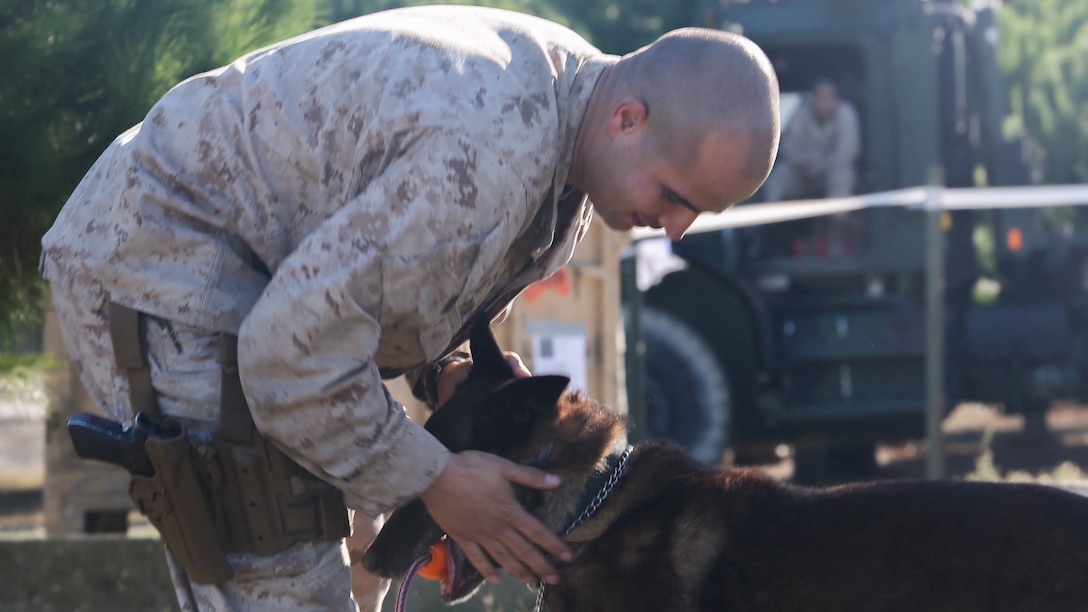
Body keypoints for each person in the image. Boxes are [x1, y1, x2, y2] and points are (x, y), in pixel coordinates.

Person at [39, 5, 780, 611]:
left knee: (357, 558)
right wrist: (437, 481)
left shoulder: (573, 114)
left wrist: (448, 372)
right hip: (161, 265)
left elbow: (378, 284)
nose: (677, 229)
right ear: (629, 119)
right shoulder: (490, 157)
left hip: (259, 292)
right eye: (677, 197)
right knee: (282, 579)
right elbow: (287, 355)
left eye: (698, 214)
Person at [763, 79, 860, 202]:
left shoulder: (846, 114)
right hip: (802, 172)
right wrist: (804, 166)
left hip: (830, 171)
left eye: (829, 97)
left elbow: (847, 152)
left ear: (836, 99)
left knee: (843, 175)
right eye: (820, 97)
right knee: (779, 176)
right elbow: (789, 148)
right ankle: (772, 218)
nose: (824, 102)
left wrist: (819, 167)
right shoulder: (801, 113)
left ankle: (838, 219)